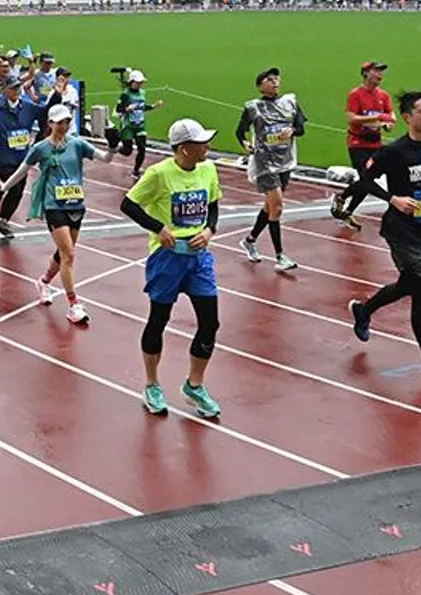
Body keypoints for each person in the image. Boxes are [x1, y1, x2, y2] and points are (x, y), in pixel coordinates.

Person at [348, 90, 421, 384]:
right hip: (401, 228)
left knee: (410, 284)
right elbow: (364, 180)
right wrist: (392, 199)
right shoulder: (394, 152)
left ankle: (364, 309)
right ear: (408, 117)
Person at [118, 119, 224, 418]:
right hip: (167, 259)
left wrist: (210, 230)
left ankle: (195, 385)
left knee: (210, 322)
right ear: (184, 149)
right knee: (159, 319)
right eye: (202, 143)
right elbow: (128, 204)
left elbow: (213, 203)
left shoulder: (208, 169)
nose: (208, 147)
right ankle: (152, 384)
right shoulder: (159, 174)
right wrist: (158, 228)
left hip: (199, 257)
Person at [0, 102, 98, 324]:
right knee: (69, 255)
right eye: (60, 122)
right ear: (50, 123)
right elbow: (22, 171)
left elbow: (105, 158)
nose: (64, 125)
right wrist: (3, 189)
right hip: (54, 206)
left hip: (76, 205)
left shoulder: (78, 144)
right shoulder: (40, 148)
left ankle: (43, 281)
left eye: (67, 121)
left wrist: (116, 147)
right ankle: (73, 305)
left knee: (63, 254)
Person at [235, 66, 305, 271]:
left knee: (270, 208)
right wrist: (246, 144)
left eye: (276, 79)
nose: (275, 82)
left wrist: (291, 130)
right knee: (278, 208)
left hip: (285, 161)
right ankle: (280, 256)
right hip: (264, 162)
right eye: (269, 79)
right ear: (260, 86)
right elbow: (240, 131)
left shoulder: (290, 102)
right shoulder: (252, 107)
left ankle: (250, 240)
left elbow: (301, 129)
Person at [332, 61, 395, 229]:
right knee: (367, 178)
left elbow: (391, 115)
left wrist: (388, 124)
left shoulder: (384, 96)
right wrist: (376, 119)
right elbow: (351, 118)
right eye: (376, 71)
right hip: (358, 143)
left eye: (382, 71)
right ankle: (346, 206)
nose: (380, 75)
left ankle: (344, 203)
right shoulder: (356, 94)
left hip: (376, 144)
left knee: (369, 178)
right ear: (366, 73)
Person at [0, 72, 39, 237]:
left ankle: (3, 220)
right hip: (5, 159)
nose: (17, 90)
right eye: (13, 88)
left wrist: (57, 94)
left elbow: (45, 112)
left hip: (23, 159)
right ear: (5, 90)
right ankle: (3, 215)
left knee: (18, 191)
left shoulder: (27, 107)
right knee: (15, 185)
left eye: (18, 87)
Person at [103, 69, 159, 173]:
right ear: (131, 82)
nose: (139, 85)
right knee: (127, 151)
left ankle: (136, 170)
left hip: (140, 125)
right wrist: (127, 109)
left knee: (142, 148)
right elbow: (119, 109)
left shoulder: (142, 93)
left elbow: (141, 106)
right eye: (137, 83)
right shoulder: (125, 94)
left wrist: (152, 106)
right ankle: (118, 148)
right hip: (127, 126)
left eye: (141, 83)